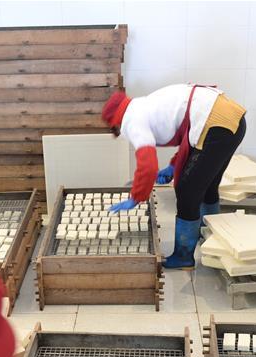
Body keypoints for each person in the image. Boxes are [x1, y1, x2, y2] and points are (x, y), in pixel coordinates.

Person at [100, 84, 246, 269]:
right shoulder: (143, 105)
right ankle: (211, 237)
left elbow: (148, 166)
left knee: (187, 190)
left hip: (217, 126)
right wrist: (173, 166)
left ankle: (184, 256)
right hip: (231, 121)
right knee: (207, 185)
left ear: (116, 122)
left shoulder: (132, 121)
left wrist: (137, 197)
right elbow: (189, 133)